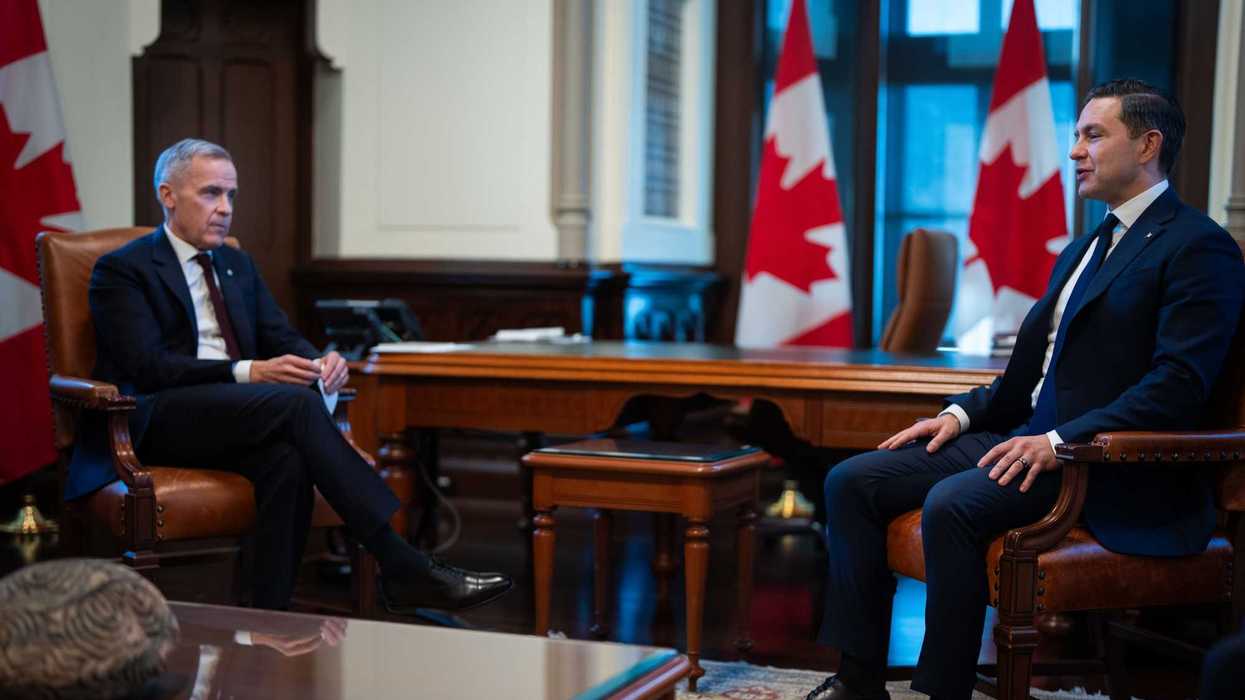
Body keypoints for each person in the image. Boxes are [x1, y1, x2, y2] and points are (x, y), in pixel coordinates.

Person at [808, 79, 1245, 700]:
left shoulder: (1198, 246)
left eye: (1094, 135)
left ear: (1148, 144)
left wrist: (1062, 439)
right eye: (1076, 136)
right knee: (851, 480)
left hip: (1101, 463)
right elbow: (1033, 374)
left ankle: (944, 690)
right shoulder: (1085, 247)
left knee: (952, 504)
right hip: (1026, 436)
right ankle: (858, 681)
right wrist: (959, 417)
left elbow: (1179, 386)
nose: (1075, 152)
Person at [68, 138, 512, 613]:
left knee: (288, 459)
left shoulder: (236, 264)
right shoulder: (122, 269)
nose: (225, 208)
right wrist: (249, 371)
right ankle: (401, 563)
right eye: (210, 193)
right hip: (153, 416)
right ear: (168, 195)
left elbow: (280, 335)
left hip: (232, 415)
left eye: (231, 196)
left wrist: (322, 362)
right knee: (294, 405)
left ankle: (266, 617)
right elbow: (147, 366)